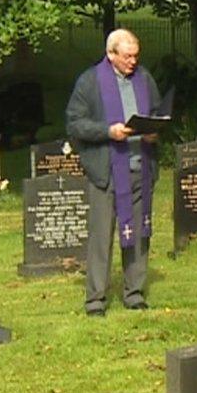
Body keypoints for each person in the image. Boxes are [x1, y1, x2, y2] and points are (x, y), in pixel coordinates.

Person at [66, 29, 161, 316]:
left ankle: (134, 293)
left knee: (139, 234)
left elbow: (156, 112)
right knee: (101, 236)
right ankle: (95, 300)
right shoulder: (90, 81)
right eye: (127, 56)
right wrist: (108, 131)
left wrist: (154, 132)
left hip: (140, 169)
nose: (133, 61)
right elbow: (75, 124)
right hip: (105, 173)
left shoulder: (144, 79)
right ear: (111, 54)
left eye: (136, 56)